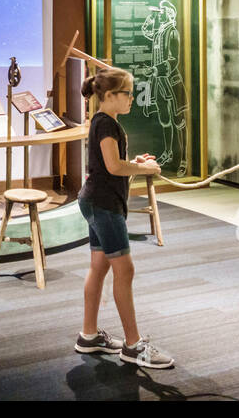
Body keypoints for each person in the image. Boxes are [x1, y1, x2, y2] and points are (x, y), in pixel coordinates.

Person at [73, 66, 175, 369]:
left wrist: (136, 162)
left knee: (99, 266)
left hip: (95, 201)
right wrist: (144, 169)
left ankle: (89, 336)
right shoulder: (107, 125)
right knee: (125, 270)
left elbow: (112, 164)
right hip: (104, 206)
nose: (132, 98)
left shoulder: (104, 122)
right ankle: (133, 345)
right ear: (109, 96)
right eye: (127, 93)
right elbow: (114, 168)